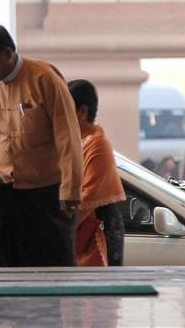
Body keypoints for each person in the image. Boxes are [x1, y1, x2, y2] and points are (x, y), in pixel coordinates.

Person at [0, 23, 83, 267]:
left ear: (8, 53)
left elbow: (68, 135)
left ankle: (49, 301)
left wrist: (70, 190)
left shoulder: (44, 78)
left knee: (49, 253)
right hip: (4, 180)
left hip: (45, 184)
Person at [68, 79, 126, 267]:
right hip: (78, 223)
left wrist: (61, 228)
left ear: (82, 112)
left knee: (99, 292)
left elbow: (89, 195)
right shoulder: (74, 141)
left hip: (98, 228)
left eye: (66, 111)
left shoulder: (98, 144)